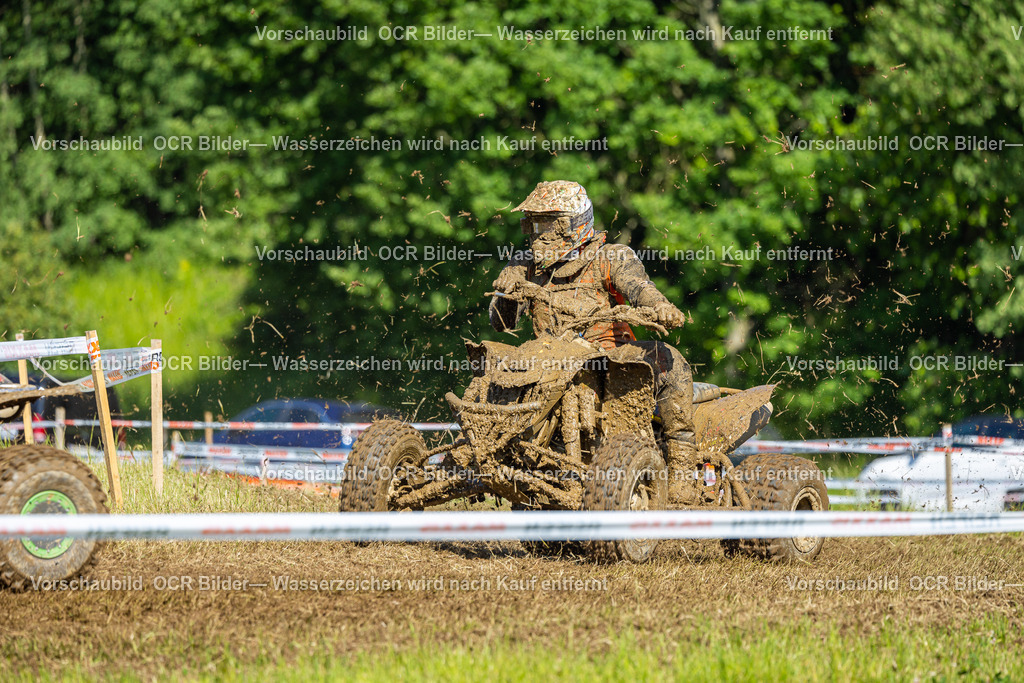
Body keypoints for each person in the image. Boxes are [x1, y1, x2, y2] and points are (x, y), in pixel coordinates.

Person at [489, 180, 699, 502]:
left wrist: (659, 307)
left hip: (610, 356)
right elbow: (501, 324)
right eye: (533, 223)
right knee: (496, 368)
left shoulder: (610, 256)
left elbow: (639, 287)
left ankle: (683, 469)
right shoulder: (525, 263)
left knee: (671, 361)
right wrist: (506, 293)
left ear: (571, 225)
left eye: (547, 223)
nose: (538, 233)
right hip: (550, 362)